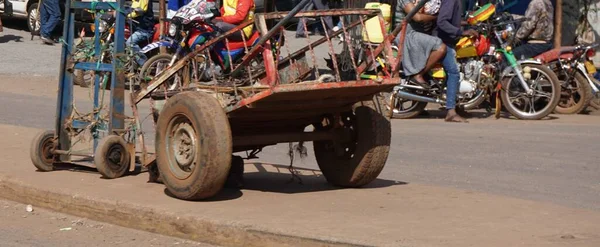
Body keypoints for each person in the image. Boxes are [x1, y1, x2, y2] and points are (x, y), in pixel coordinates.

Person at [436, 0, 478, 123]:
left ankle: (457, 105)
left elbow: (452, 21)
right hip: (443, 42)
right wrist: (461, 32)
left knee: (460, 68)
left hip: (449, 40)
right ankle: (450, 111)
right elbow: (442, 22)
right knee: (453, 72)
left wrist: (468, 24)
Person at [394, 0, 447, 90]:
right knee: (441, 47)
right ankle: (418, 75)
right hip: (406, 34)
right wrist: (437, 17)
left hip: (418, 33)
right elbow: (417, 17)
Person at [123, 0, 155, 65]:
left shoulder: (144, 1)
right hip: (134, 28)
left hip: (144, 30)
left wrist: (126, 15)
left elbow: (141, 10)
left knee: (130, 43)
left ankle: (145, 65)